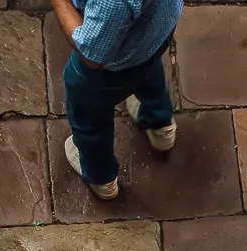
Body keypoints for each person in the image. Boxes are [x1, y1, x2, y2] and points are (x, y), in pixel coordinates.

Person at [44, 0, 183, 201]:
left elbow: (91, 54)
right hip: (157, 31)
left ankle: (101, 179)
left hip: (108, 70)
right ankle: (159, 125)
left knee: (89, 117)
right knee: (148, 68)